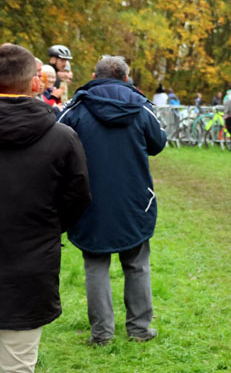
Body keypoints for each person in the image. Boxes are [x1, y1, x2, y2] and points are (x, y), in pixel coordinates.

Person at [58, 55, 166, 346]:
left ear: (94, 75)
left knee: (96, 266)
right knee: (137, 265)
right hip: (134, 200)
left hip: (90, 200)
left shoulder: (77, 109)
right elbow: (159, 142)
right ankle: (140, 329)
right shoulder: (142, 107)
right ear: (127, 79)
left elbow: (57, 140)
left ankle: (102, 334)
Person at [0, 44, 91, 372]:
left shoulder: (61, 137)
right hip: (30, 267)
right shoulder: (63, 138)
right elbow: (77, 199)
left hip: (29, 264)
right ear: (35, 83)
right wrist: (46, 227)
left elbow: (77, 198)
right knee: (17, 366)